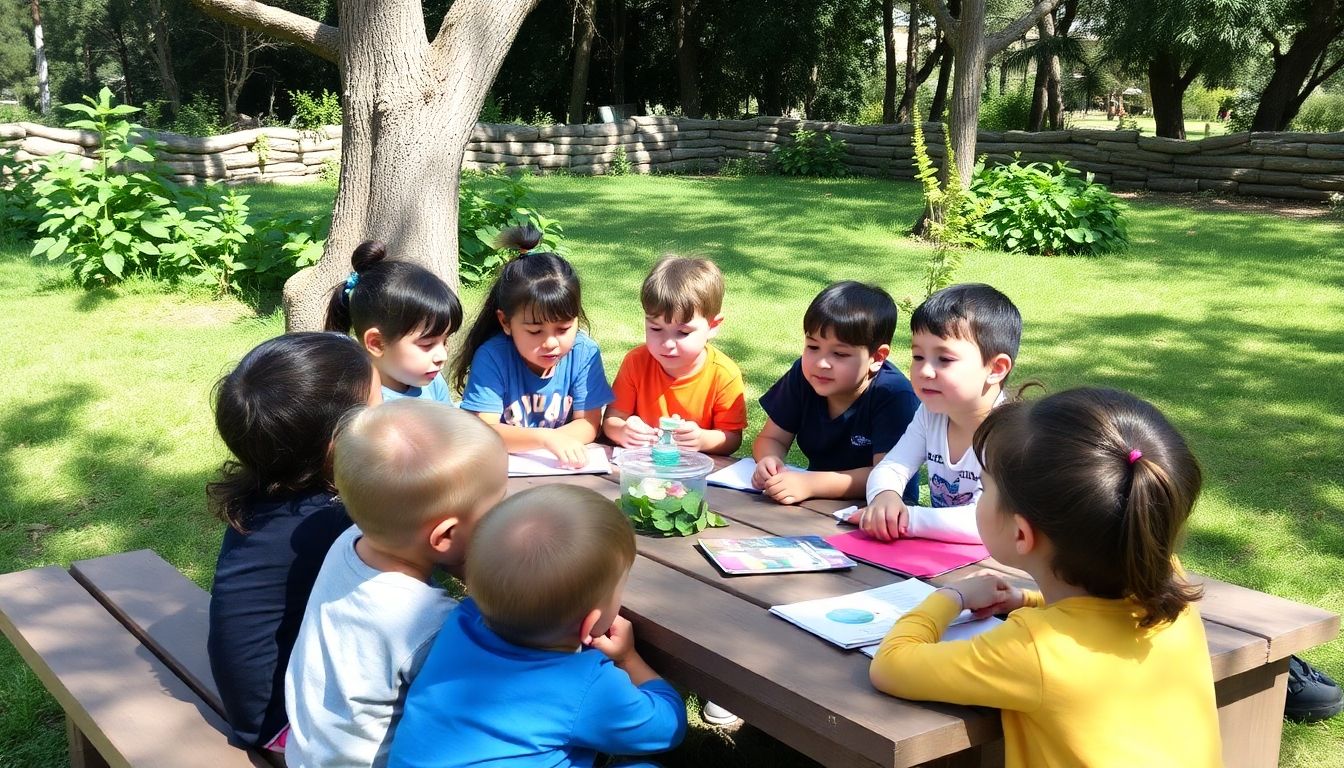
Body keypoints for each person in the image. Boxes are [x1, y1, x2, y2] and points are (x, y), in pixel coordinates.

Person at [869, 387, 1222, 767]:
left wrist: (952, 596)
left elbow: (891, 664)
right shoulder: (1170, 584)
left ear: (1022, 535)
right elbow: (1095, 618)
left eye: (984, 488)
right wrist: (1026, 599)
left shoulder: (1031, 648)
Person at [388, 485, 687, 768]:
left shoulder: (461, 621)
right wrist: (628, 658)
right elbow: (667, 728)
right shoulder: (587, 684)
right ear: (591, 623)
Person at [284, 400, 508, 768]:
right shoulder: (431, 622)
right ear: (445, 536)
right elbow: (486, 696)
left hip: (310, 752)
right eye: (496, 507)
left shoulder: (352, 541)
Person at [206, 332, 379, 751]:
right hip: (288, 724)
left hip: (253, 704)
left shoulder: (272, 493)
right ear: (338, 445)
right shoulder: (331, 521)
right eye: (379, 409)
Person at [855, 284, 1020, 543]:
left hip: (1010, 571)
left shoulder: (1009, 434)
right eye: (918, 356)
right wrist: (884, 496)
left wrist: (905, 518)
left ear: (996, 368)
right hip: (951, 557)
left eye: (944, 360)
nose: (925, 371)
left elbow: (987, 523)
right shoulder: (932, 414)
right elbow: (892, 467)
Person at [452, 225, 614, 468]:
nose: (551, 343)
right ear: (505, 322)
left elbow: (590, 424)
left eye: (563, 329)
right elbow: (484, 432)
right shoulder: (492, 356)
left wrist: (552, 441)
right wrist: (545, 439)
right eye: (535, 331)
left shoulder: (584, 352)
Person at [751, 281, 920, 505]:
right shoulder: (804, 376)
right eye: (813, 347)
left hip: (879, 511)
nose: (821, 363)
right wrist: (769, 460)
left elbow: (886, 475)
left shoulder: (894, 395)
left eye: (839, 354)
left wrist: (810, 483)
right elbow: (771, 438)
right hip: (815, 504)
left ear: (877, 358)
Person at [604, 255, 747, 454]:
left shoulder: (724, 374)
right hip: (643, 469)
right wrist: (623, 431)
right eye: (655, 329)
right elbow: (612, 420)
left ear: (713, 325)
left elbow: (731, 437)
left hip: (694, 473)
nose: (667, 344)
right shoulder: (636, 362)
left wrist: (702, 440)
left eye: (683, 333)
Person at [324, 240, 463, 404]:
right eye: (427, 344)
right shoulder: (362, 403)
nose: (442, 356)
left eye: (445, 341)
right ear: (377, 343)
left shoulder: (433, 383)